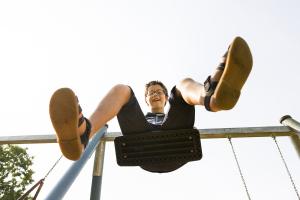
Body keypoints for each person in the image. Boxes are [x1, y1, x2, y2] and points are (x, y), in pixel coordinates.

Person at [49, 36, 253, 172]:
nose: (155, 94)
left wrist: (177, 96)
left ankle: (211, 97)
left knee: (181, 85)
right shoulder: (141, 117)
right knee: (123, 89)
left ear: (165, 98)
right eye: (150, 93)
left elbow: (176, 97)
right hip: (142, 145)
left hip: (176, 143)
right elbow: (127, 106)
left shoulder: (173, 108)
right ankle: (83, 133)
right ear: (146, 100)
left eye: (159, 92)